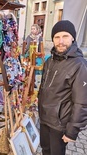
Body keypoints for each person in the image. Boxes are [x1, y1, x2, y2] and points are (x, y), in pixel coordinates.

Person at [38, 20, 87, 155]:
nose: (61, 41)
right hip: (44, 119)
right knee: (45, 150)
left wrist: (72, 131)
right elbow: (43, 89)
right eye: (57, 37)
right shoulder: (49, 61)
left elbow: (82, 103)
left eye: (65, 36)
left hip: (59, 124)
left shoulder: (79, 65)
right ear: (53, 39)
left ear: (72, 38)